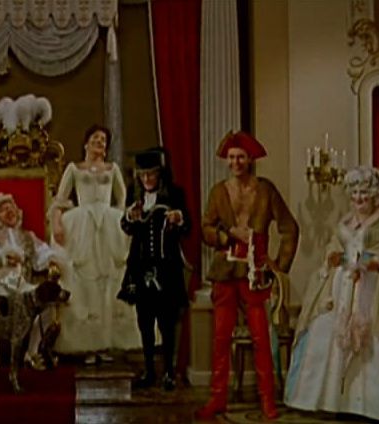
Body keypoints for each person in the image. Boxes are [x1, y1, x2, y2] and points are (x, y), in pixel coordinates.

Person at [284, 166, 379, 422]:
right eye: (355, 193)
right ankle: (336, 400)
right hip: (342, 286)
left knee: (376, 340)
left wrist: (368, 265)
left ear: (374, 196)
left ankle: (373, 406)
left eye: (364, 194)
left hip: (371, 288)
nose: (359, 198)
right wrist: (333, 256)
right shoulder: (346, 222)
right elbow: (334, 244)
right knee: (328, 332)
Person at [196, 131, 299, 420]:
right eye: (231, 157)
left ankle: (267, 399)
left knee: (261, 338)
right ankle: (217, 398)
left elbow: (289, 228)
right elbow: (206, 228)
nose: (236, 162)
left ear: (250, 159)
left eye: (240, 157)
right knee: (220, 338)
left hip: (255, 273)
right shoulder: (219, 191)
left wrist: (279, 265)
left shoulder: (265, 190)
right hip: (225, 272)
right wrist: (227, 234)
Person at [51, 124, 140, 363]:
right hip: (82, 225)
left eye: (103, 140)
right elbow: (60, 200)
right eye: (95, 138)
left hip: (108, 225)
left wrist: (120, 222)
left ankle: (107, 342)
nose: (100, 143)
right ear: (86, 143)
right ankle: (87, 345)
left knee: (109, 281)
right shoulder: (74, 168)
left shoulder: (112, 169)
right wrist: (57, 224)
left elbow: (121, 198)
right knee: (84, 282)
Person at [118, 147, 190, 391]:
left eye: (151, 174)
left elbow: (188, 228)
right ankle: (149, 370)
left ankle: (169, 372)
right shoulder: (134, 194)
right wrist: (130, 216)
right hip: (141, 267)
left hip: (167, 268)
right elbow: (126, 227)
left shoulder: (175, 194)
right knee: (145, 321)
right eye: (143, 175)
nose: (147, 179)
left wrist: (178, 218)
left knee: (167, 323)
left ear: (160, 174)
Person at [0, 193, 68, 371]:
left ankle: (32, 352)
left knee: (48, 304)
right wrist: (1, 256)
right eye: (3, 210)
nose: (9, 212)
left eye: (12, 208)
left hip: (22, 285)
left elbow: (43, 254)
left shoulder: (27, 236)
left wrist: (51, 260)